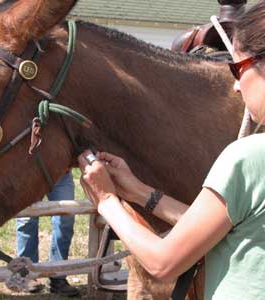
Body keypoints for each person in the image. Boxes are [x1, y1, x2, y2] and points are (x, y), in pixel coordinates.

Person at [78, 1, 265, 299]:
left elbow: (163, 263)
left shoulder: (247, 157)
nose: (236, 87)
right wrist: (138, 191)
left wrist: (106, 201)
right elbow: (221, 226)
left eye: (237, 68)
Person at [16, 171, 79, 297]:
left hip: (61, 173)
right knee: (27, 220)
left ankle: (58, 276)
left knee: (65, 220)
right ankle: (26, 275)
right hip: (29, 170)